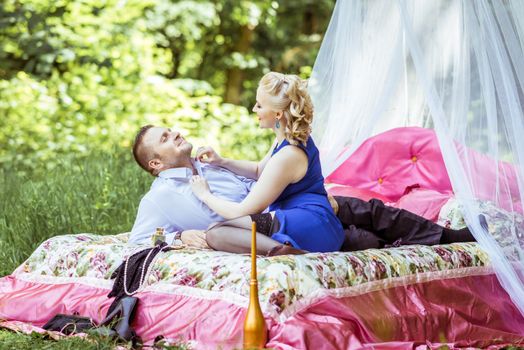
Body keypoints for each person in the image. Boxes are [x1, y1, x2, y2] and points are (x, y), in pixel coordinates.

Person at [189, 72, 345, 255]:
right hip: (307, 220)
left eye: (260, 105)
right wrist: (221, 161)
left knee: (217, 233)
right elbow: (258, 170)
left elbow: (243, 210)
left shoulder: (289, 154)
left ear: (278, 114)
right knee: (217, 230)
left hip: (311, 224)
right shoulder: (286, 137)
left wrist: (205, 195)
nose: (255, 109)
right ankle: (281, 250)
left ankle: (289, 254)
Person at [129, 124, 255, 247]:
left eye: (170, 131)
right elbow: (138, 240)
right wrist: (179, 237)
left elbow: (252, 180)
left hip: (270, 208)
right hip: (255, 232)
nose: (176, 133)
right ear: (156, 163)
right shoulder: (158, 196)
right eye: (165, 138)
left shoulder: (209, 162)